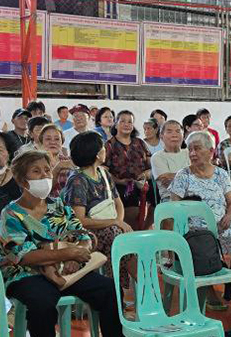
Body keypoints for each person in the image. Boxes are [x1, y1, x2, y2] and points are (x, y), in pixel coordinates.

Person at [0, 149, 126, 337]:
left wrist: (79, 252)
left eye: (47, 170)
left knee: (108, 289)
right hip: (26, 273)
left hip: (67, 270)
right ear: (22, 180)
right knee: (43, 300)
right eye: (36, 171)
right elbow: (23, 255)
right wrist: (66, 253)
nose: (45, 175)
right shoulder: (11, 214)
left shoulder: (58, 206)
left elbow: (84, 235)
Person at [167, 131, 231, 307]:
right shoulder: (183, 175)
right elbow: (173, 208)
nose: (192, 153)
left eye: (197, 149)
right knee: (202, 245)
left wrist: (229, 216)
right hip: (196, 229)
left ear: (211, 151)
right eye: (190, 149)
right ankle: (209, 290)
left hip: (222, 223)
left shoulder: (221, 174)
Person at [62, 132, 132, 282]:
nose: (105, 150)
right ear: (97, 154)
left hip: (109, 226)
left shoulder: (104, 174)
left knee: (126, 237)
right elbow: (79, 221)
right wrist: (114, 223)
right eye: (103, 147)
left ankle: (137, 289)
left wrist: (118, 222)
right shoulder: (78, 180)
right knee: (115, 235)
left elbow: (118, 204)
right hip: (85, 233)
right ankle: (115, 287)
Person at [105, 110, 152, 231]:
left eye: (130, 122)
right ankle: (130, 231)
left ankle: (146, 229)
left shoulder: (140, 143)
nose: (127, 124)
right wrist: (119, 181)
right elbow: (104, 170)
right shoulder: (109, 145)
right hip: (120, 185)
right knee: (129, 196)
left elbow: (151, 166)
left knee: (156, 195)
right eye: (123, 121)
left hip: (142, 182)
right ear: (116, 124)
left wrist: (145, 175)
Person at [35, 123, 75, 196]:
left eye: (57, 139)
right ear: (41, 142)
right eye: (48, 139)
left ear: (62, 142)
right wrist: (58, 167)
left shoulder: (69, 160)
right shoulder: (35, 163)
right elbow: (42, 191)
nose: (53, 142)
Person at [151, 120, 188, 198]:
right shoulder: (157, 157)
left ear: (183, 135)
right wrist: (194, 176)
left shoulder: (190, 153)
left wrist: (176, 177)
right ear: (161, 136)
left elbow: (205, 176)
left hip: (195, 199)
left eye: (178, 131)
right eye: (169, 132)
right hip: (170, 199)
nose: (174, 135)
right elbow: (168, 182)